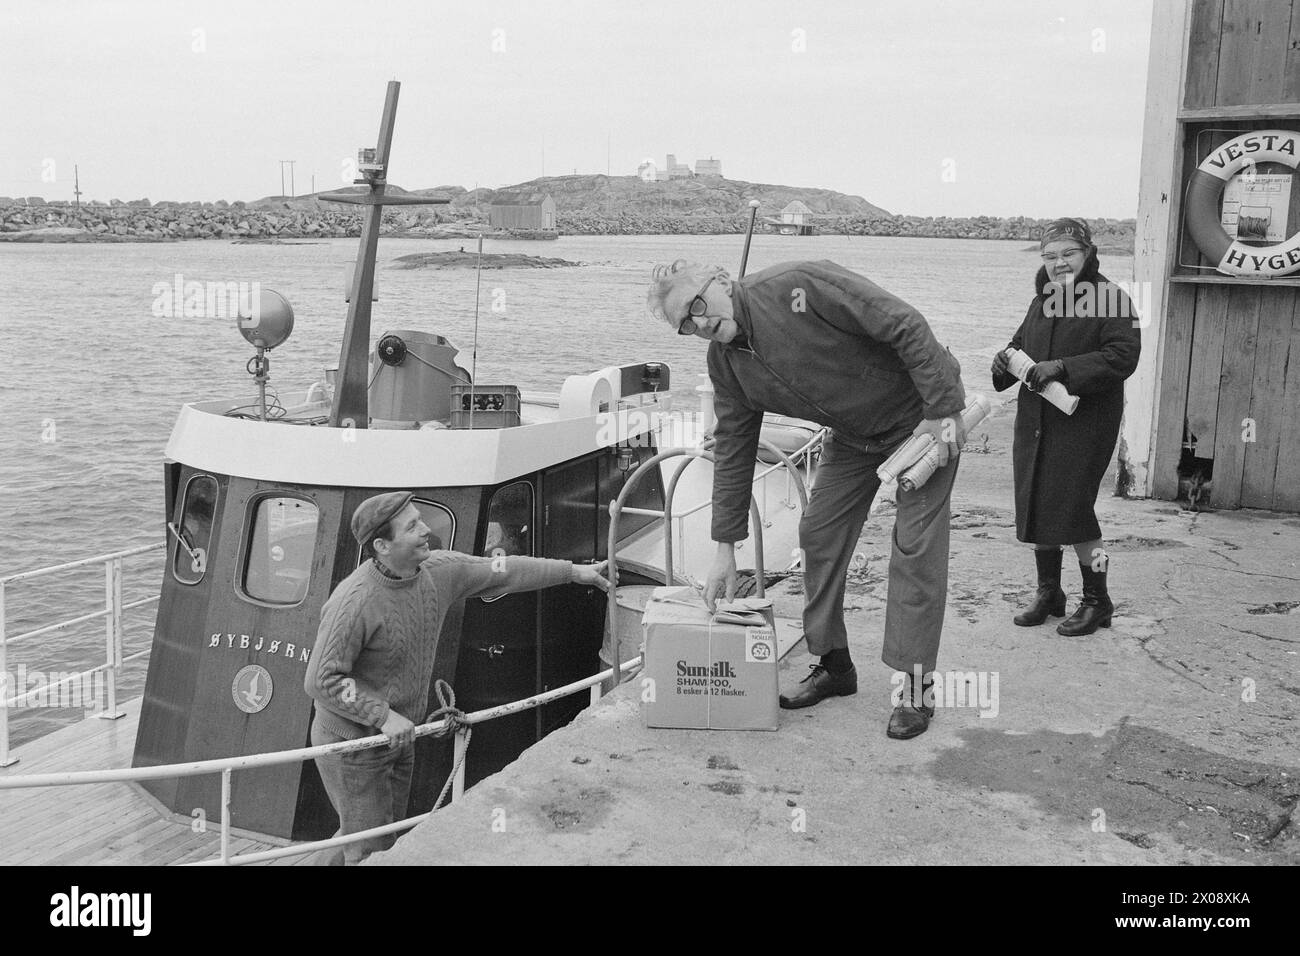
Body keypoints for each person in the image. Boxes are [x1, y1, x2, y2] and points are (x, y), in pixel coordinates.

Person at [646, 259, 967, 739]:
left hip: (918, 421)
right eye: (685, 325)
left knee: (915, 548)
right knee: (817, 536)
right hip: (853, 437)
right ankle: (834, 664)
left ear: (720, 280)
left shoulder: (800, 286)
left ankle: (916, 688)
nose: (701, 324)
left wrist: (943, 410)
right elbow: (733, 449)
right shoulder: (726, 363)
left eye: (697, 306)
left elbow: (903, 323)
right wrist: (724, 548)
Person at [304, 491, 609, 864]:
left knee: (372, 833)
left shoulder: (438, 571)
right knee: (371, 844)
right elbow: (322, 680)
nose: (425, 531)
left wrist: (574, 572)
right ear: (382, 545)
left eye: (420, 519)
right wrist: (382, 715)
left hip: (399, 735)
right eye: (412, 526)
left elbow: (505, 570)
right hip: (352, 744)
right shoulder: (354, 602)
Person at [991, 218, 1141, 635]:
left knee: (1076, 511)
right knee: (1039, 501)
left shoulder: (1111, 298)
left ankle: (1098, 600)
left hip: (1085, 425)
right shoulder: (1041, 300)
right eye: (1051, 256)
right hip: (1036, 422)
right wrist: (1004, 362)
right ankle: (1049, 593)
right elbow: (1019, 345)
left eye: (1068, 254)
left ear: (1088, 253)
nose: (1059, 263)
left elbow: (1122, 357)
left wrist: (1065, 368)